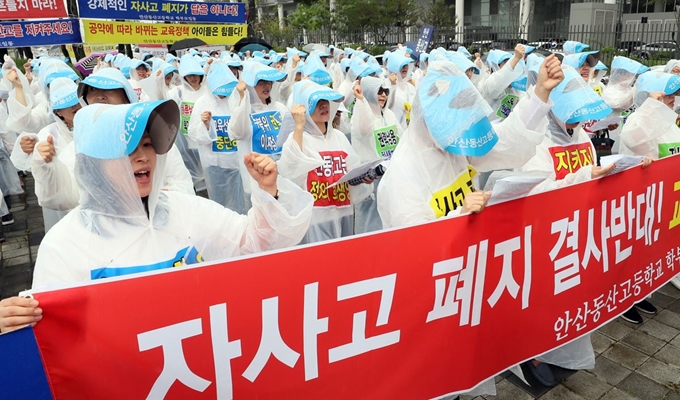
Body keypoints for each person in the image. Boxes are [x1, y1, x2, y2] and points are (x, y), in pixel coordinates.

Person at [0, 99, 314, 333]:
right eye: (127, 148)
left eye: (148, 144)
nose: (142, 156)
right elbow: (50, 336)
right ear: (95, 164)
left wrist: (269, 193)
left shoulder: (186, 211)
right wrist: (15, 321)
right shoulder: (65, 244)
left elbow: (254, 243)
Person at [278, 80, 371, 244]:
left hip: (343, 214)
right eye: (317, 103)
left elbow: (352, 171)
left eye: (326, 102)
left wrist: (363, 179)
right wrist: (299, 126)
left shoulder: (339, 137)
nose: (324, 106)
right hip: (314, 221)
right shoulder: (299, 139)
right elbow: (289, 171)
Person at [188, 63, 249, 214]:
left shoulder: (236, 99)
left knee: (241, 203)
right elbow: (195, 135)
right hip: (214, 164)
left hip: (237, 162)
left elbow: (244, 129)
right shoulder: (202, 103)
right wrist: (205, 125)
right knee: (219, 204)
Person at [350, 76, 402, 233]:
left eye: (386, 91)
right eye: (379, 91)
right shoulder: (362, 115)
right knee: (368, 226)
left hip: (390, 178)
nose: (384, 95)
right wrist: (361, 100)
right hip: (369, 182)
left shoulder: (389, 115)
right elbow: (364, 129)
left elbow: (401, 141)